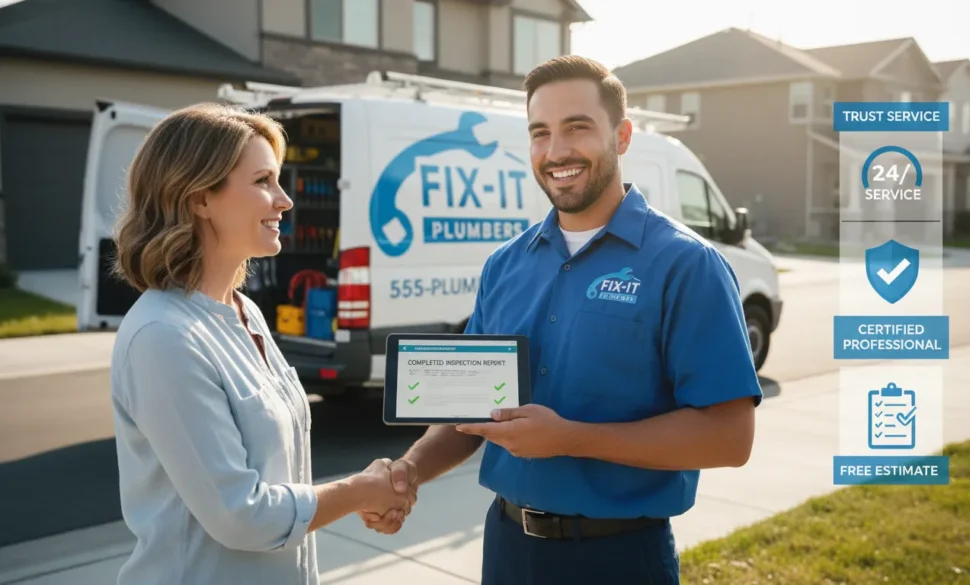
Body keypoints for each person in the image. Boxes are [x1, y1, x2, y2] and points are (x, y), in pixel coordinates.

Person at [357, 55, 763, 584]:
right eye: (540, 133)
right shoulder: (505, 265)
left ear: (622, 136)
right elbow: (468, 413)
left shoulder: (687, 265)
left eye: (577, 128)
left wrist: (572, 437)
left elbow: (730, 438)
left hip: (618, 560)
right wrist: (408, 472)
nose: (556, 151)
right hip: (507, 552)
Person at [108, 103, 414, 585]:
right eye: (262, 181)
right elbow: (242, 515)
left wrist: (364, 492)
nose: (284, 200)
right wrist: (358, 492)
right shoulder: (163, 337)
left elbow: (275, 481)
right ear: (199, 197)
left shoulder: (244, 311)